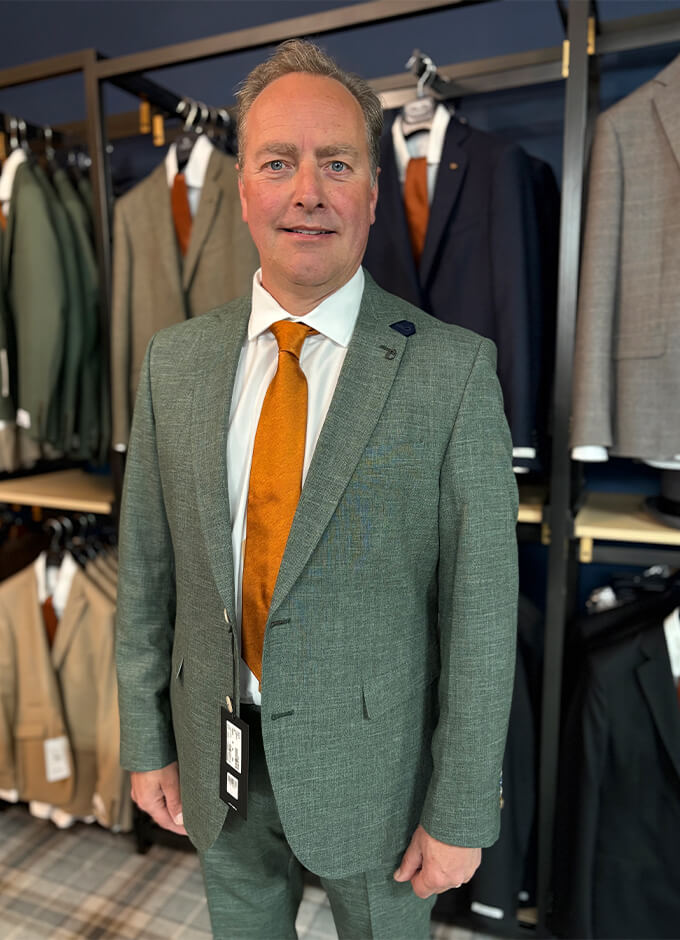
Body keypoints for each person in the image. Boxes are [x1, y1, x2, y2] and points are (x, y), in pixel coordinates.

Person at [115, 38, 518, 940]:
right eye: (277, 163)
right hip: (216, 753)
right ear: (243, 190)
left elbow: (483, 615)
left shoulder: (452, 372)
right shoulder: (173, 363)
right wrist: (147, 741)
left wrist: (460, 809)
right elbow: (146, 576)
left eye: (337, 163)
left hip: (380, 776)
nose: (308, 191)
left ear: (372, 192)